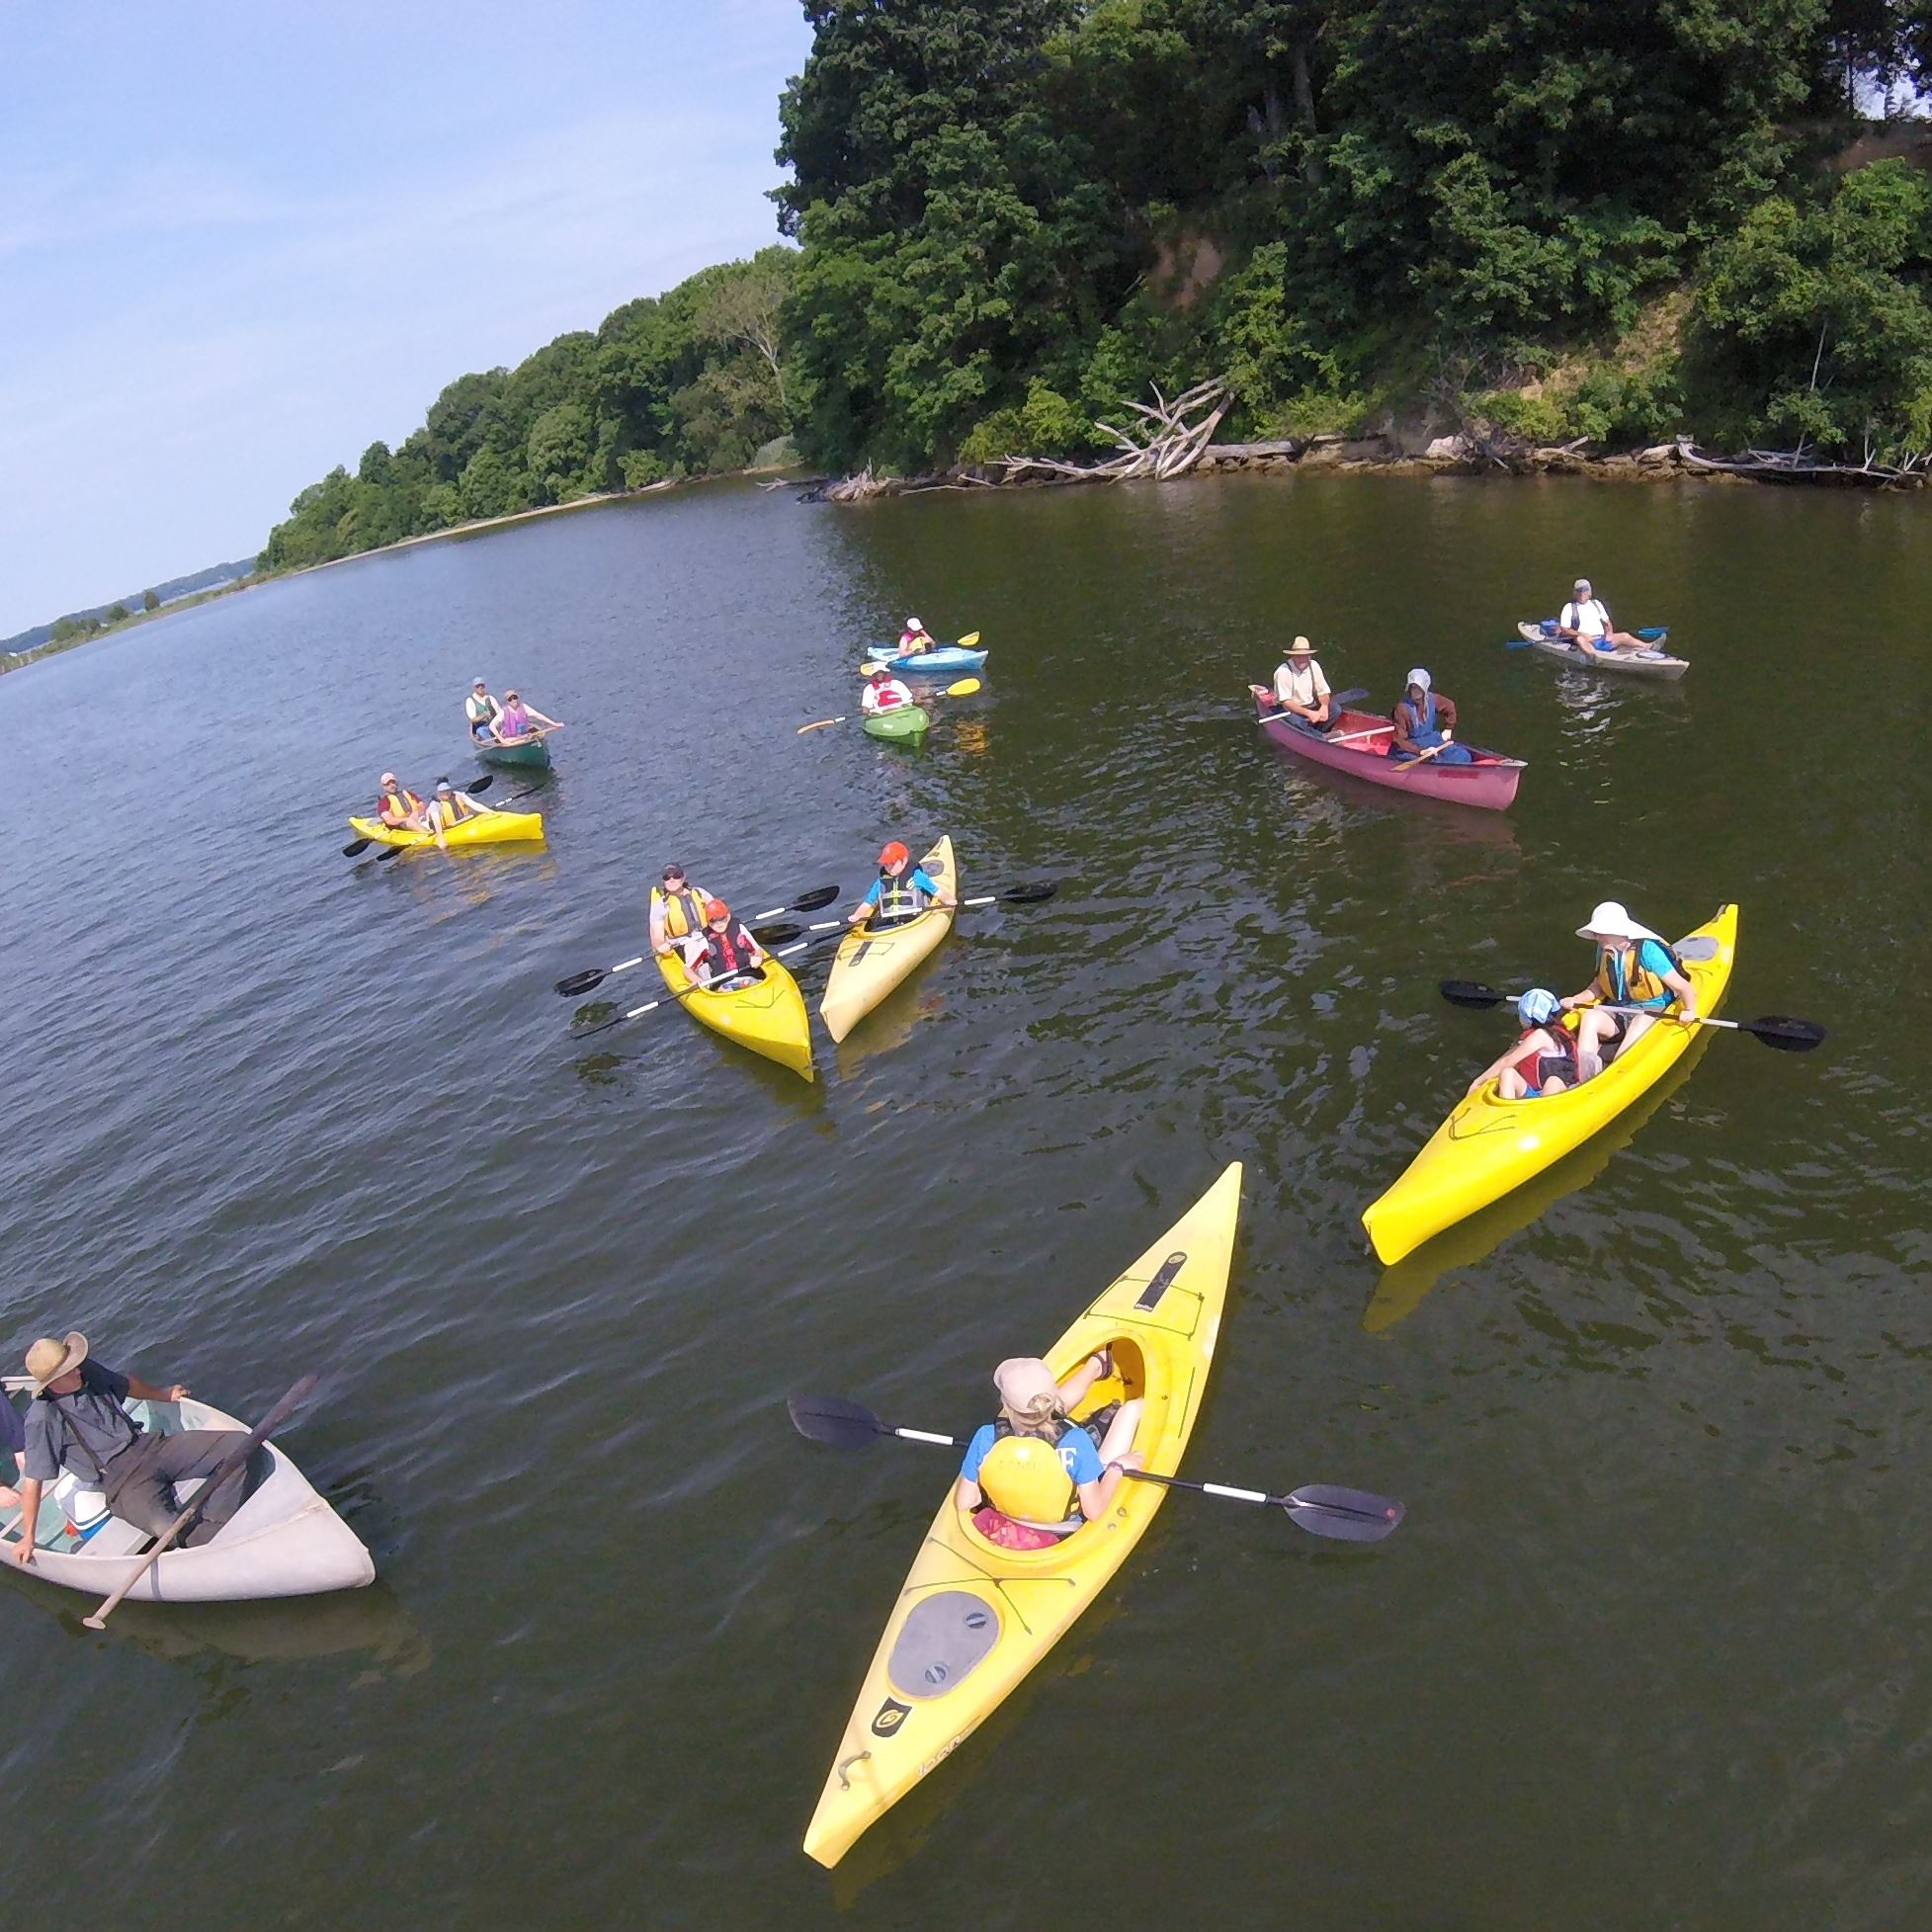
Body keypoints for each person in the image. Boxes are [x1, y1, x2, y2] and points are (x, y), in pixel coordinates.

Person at [11, 1333, 250, 1563]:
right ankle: (217, 1542)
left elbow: (127, 1384)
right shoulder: (42, 1419)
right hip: (121, 1482)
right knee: (166, 1528)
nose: (77, 1370)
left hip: (150, 1445)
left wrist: (164, 1394)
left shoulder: (87, 1371)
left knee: (238, 1445)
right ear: (52, 1382)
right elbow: (33, 1480)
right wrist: (28, 1537)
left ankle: (219, 1525)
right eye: (69, 1370)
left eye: (75, 1364)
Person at [955, 1355, 1144, 1548]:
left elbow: (965, 1501)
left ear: (1005, 1404)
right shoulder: (1076, 1441)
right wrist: (1116, 1468)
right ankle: (1133, 1401)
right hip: (1061, 1530)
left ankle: (1096, 1367)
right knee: (1130, 1410)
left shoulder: (985, 1437)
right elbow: (1094, 1511)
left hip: (1004, 1521)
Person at [1564, 900, 1699, 1070]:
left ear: (1617, 930)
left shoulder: (1648, 951)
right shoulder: (1604, 950)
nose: (1597, 937)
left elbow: (1683, 987)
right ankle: (1583, 1070)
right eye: (1596, 933)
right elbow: (1597, 987)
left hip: (1652, 1009)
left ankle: (1618, 1069)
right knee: (1590, 1017)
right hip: (1619, 1009)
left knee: (1640, 1020)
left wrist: (1689, 1011)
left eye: (1600, 932)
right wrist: (1576, 999)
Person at [1467, 988, 1583, 1100]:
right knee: (1507, 1073)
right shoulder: (1554, 1030)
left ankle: (1540, 1112)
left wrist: (1477, 1082)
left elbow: (1507, 1061)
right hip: (1535, 1093)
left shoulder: (1540, 1036)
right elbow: (1507, 1059)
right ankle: (1509, 1111)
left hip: (1559, 1096)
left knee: (1552, 1082)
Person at [847, 841, 957, 927]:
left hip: (914, 920)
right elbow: (867, 903)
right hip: (889, 923)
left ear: (904, 861)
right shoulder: (881, 882)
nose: (889, 868)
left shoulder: (917, 877)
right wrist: (857, 916)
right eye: (886, 864)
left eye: (892, 863)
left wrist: (949, 901)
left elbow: (937, 892)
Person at [1390, 668, 1473, 765]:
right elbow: (1399, 740)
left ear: (1424, 689)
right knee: (1435, 761)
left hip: (1432, 739)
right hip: (1412, 745)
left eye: (1419, 688)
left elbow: (1450, 706)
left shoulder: (1432, 699)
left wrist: (1448, 728)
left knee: (1463, 755)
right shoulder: (1402, 709)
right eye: (1413, 688)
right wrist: (1421, 751)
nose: (1416, 692)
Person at [682, 899, 767, 988]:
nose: (718, 923)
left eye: (722, 918)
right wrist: (696, 979)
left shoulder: (740, 929)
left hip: (747, 976)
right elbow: (687, 969)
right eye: (713, 921)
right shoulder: (705, 941)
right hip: (724, 984)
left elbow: (757, 950)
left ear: (728, 916)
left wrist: (758, 956)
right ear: (708, 923)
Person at [1557, 578, 1647, 654]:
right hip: (1584, 640)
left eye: (1584, 591)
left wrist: (1609, 633)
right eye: (1579, 591)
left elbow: (1607, 622)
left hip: (1601, 639)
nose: (1581, 594)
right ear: (1574, 592)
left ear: (1589, 592)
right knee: (1580, 639)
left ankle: (1647, 646)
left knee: (1624, 635)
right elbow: (1565, 630)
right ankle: (1594, 656)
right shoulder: (1569, 607)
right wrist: (1583, 634)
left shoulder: (1596, 603)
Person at [649, 864, 718, 958]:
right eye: (667, 877)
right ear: (663, 881)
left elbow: (719, 914)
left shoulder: (700, 893)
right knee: (695, 950)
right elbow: (657, 938)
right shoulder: (661, 906)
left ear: (683, 878)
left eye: (676, 876)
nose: (672, 880)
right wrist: (661, 945)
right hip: (682, 945)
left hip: (707, 936)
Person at [1269, 635, 1334, 730]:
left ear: (1309, 656)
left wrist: (1324, 707)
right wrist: (1309, 713)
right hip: (1290, 710)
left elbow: (1323, 691)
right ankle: (1319, 736)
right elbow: (1286, 703)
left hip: (1310, 706)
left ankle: (1316, 731)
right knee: (1296, 722)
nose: (1302, 659)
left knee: (1335, 709)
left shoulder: (1314, 665)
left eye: (1305, 655)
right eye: (1298, 656)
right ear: (1293, 656)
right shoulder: (1283, 672)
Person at [492, 689, 562, 743]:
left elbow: (538, 716)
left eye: (515, 697)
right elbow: (492, 726)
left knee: (531, 736)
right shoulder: (503, 712)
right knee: (514, 741)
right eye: (510, 699)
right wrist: (501, 739)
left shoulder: (524, 707)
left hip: (525, 737)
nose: (513, 700)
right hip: (511, 739)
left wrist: (554, 724)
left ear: (517, 697)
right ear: (507, 701)